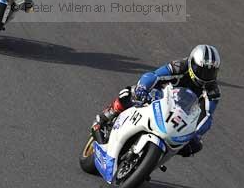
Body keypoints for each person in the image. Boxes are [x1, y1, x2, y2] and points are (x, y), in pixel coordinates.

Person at [93, 44, 221, 157]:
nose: (205, 75)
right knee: (129, 93)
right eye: (202, 70)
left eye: (210, 72)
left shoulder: (212, 91)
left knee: (196, 146)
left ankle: (153, 159)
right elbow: (154, 75)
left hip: (181, 116)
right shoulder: (179, 66)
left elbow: (207, 115)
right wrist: (142, 89)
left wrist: (197, 132)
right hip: (159, 97)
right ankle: (107, 116)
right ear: (192, 63)